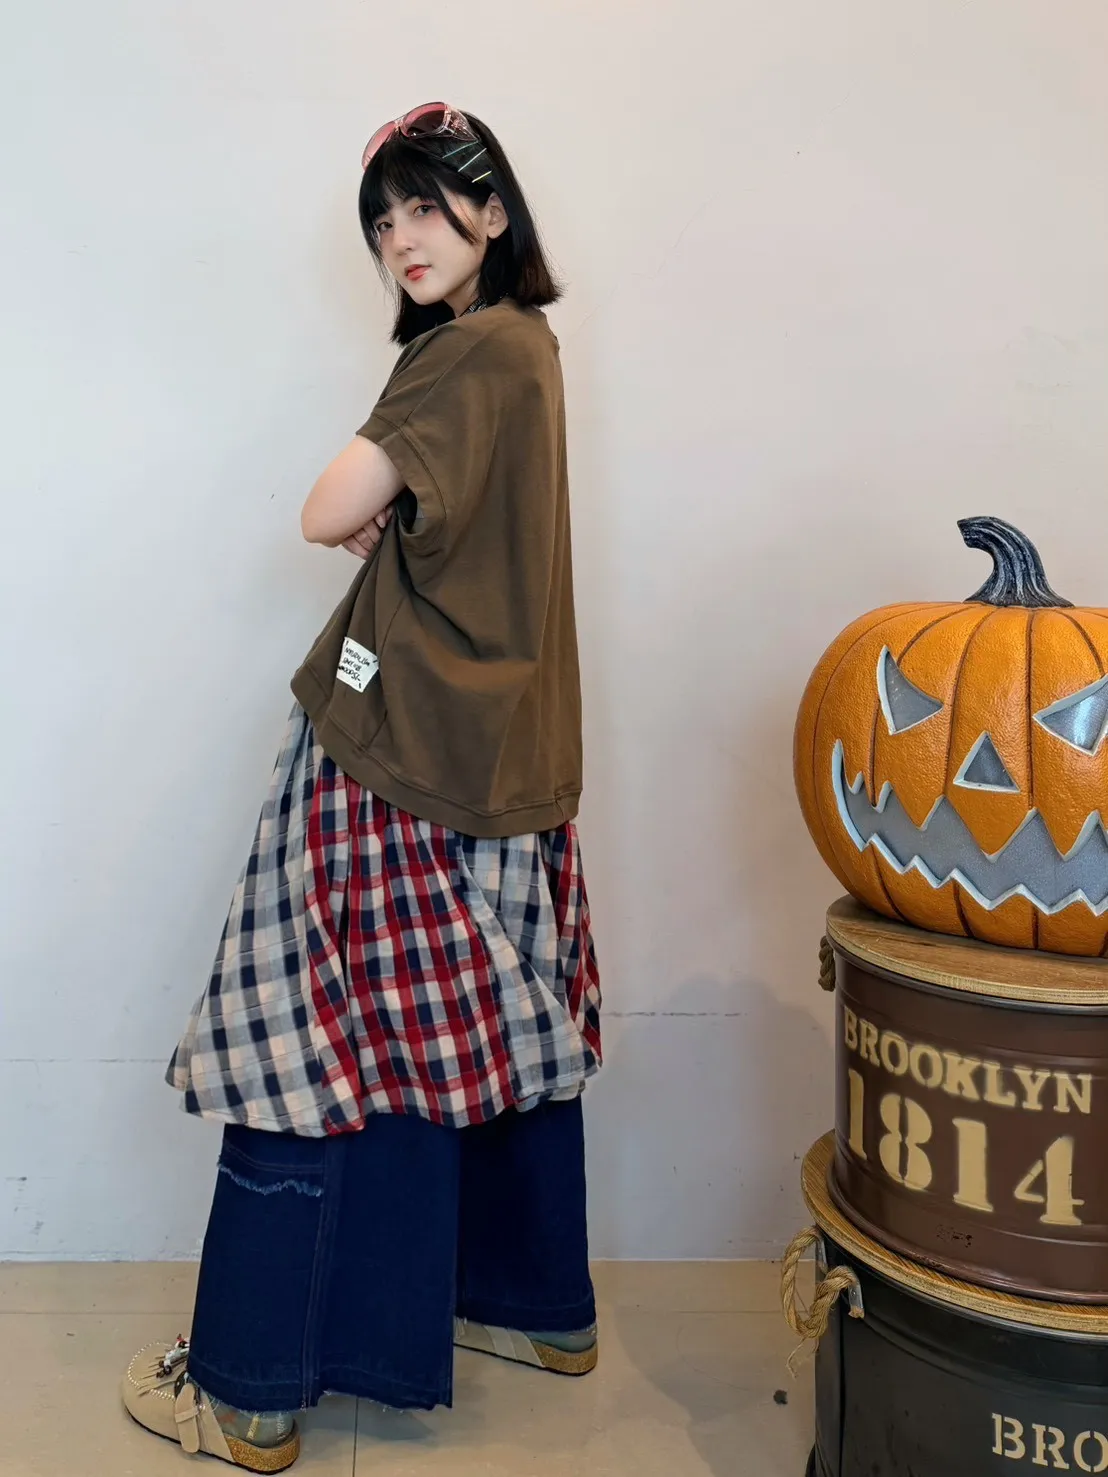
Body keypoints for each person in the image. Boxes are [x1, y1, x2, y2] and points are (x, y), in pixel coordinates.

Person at [120, 103, 602, 1472]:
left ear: (494, 212)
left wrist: (374, 501)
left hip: (393, 748)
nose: (403, 239)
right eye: (383, 220)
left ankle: (253, 1389)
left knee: (310, 1037)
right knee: (495, 1019)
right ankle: (534, 1310)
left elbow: (324, 509)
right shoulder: (533, 352)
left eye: (428, 207)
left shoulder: (458, 355)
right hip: (503, 755)